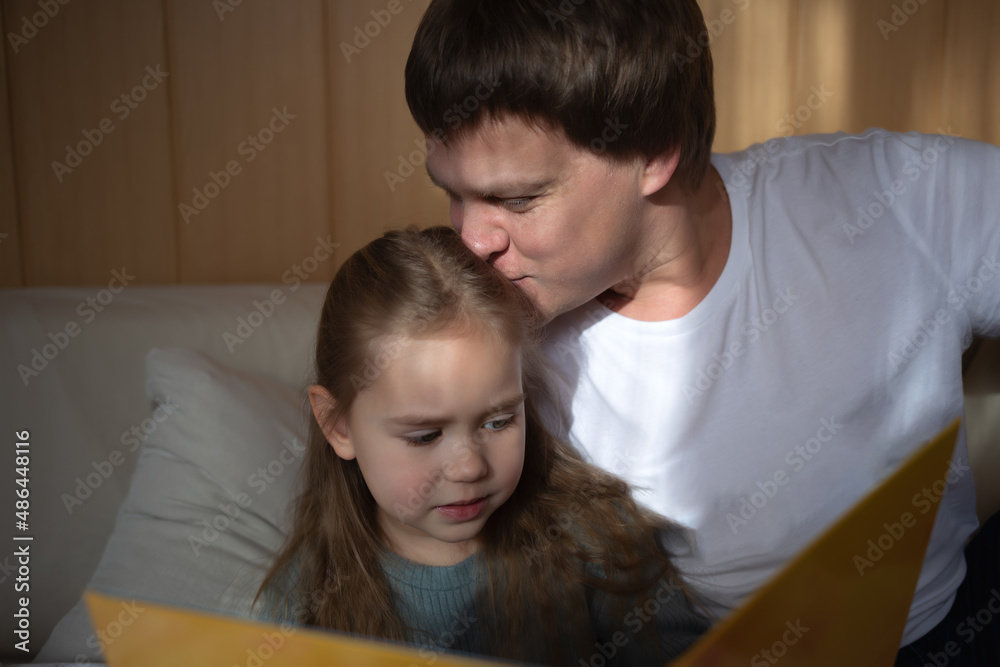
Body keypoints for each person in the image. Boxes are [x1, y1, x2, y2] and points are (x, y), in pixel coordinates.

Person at [403, 1, 1000, 665]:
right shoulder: (485, 325)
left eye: (516, 199)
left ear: (654, 151)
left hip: (947, 627)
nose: (471, 240)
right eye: (453, 192)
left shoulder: (896, 201)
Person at [255, 226, 708, 665]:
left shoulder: (597, 544)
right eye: (425, 436)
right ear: (339, 426)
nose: (469, 467)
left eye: (498, 421)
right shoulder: (307, 599)